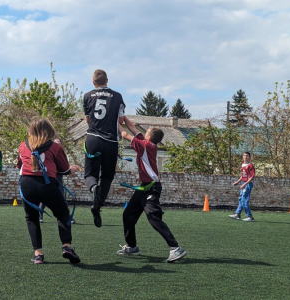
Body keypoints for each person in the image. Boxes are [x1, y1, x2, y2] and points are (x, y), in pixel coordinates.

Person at [117, 116, 187, 263]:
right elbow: (133, 127)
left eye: (147, 131)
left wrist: (113, 121)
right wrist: (123, 116)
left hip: (151, 188)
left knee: (153, 217)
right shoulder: (146, 143)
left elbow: (124, 134)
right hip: (143, 188)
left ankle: (175, 248)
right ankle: (132, 246)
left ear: (148, 137)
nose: (144, 133)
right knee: (128, 214)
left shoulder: (145, 146)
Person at [16, 117, 81, 264]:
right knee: (62, 213)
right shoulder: (55, 147)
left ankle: (38, 254)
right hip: (47, 184)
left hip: (27, 184)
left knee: (31, 218)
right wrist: (71, 170)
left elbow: (19, 165)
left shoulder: (22, 145)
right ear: (49, 130)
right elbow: (64, 170)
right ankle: (66, 246)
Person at [83, 69, 126, 227]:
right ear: (107, 80)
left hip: (93, 139)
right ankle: (98, 205)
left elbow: (88, 119)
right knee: (107, 176)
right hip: (111, 141)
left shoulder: (87, 96)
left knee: (89, 174)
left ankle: (94, 188)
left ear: (94, 82)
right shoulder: (117, 96)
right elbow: (120, 120)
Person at [39, 137, 76, 224]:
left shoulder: (61, 153)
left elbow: (64, 168)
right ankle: (39, 216)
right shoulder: (49, 152)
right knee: (44, 198)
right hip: (48, 178)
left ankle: (68, 217)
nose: (57, 144)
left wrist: (69, 169)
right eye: (56, 143)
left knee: (62, 198)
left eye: (59, 143)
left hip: (58, 179)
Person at [229, 152, 256, 222]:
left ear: (249, 157)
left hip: (248, 184)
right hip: (243, 183)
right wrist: (237, 182)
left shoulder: (250, 165)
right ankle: (237, 214)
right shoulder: (243, 165)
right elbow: (243, 176)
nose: (245, 157)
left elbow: (252, 177)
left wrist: (245, 184)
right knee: (241, 199)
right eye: (244, 155)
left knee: (244, 199)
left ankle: (250, 216)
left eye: (247, 156)